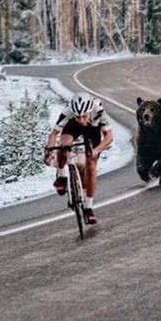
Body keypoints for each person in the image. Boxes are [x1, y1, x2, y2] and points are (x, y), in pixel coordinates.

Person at [45, 92, 113, 225]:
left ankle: (88, 208)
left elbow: (109, 137)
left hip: (93, 129)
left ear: (90, 111)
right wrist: (49, 151)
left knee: (91, 166)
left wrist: (96, 150)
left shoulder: (98, 110)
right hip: (73, 127)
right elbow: (54, 134)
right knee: (64, 144)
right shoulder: (69, 112)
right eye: (78, 116)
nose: (81, 119)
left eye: (84, 116)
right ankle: (62, 175)